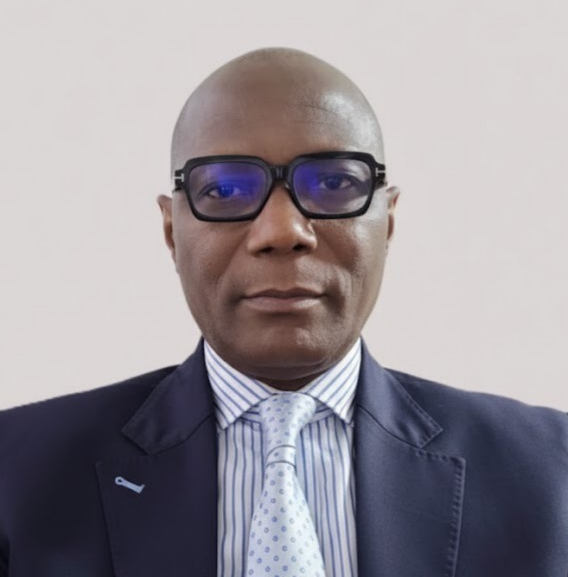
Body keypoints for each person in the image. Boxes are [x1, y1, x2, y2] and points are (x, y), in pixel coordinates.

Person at [0, 48, 566, 577]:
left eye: (335, 182)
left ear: (388, 221)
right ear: (172, 230)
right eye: (224, 190)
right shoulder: (15, 473)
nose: (282, 230)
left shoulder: (552, 473)